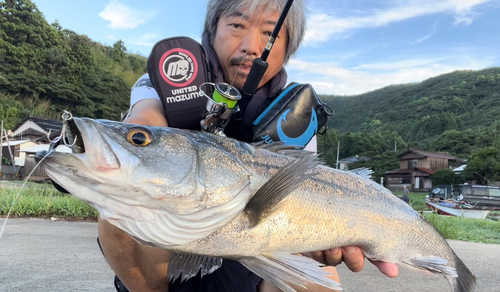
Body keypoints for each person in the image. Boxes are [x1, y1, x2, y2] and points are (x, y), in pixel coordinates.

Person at [98, 0, 399, 291]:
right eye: (237, 25)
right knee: (121, 204)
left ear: (288, 49)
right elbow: (141, 124)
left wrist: (316, 241)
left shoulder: (295, 120)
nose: (251, 46)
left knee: (321, 281)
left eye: (270, 33)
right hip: (162, 248)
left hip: (248, 252)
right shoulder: (169, 81)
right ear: (212, 30)